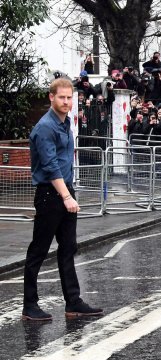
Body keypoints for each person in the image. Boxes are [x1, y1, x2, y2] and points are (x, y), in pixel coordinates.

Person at [23, 78, 103, 321]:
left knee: (68, 248)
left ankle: (73, 302)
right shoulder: (46, 127)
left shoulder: (65, 122)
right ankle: (29, 306)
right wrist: (66, 196)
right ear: (51, 97)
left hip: (65, 190)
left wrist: (69, 192)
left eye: (70, 98)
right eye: (62, 97)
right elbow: (50, 166)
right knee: (38, 250)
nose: (67, 102)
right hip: (50, 195)